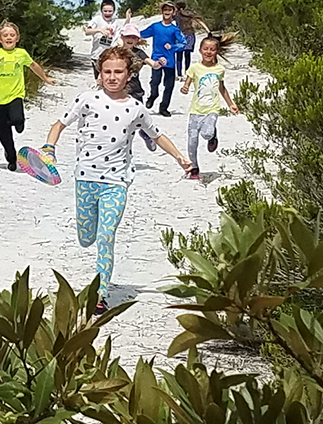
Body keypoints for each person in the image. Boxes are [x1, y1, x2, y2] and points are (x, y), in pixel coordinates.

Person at [39, 46, 191, 314]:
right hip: (85, 179)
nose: (111, 77)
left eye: (118, 72)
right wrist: (49, 149)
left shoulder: (136, 108)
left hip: (116, 182)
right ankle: (97, 267)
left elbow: (157, 135)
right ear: (99, 73)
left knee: (106, 236)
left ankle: (101, 294)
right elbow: (58, 125)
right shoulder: (87, 100)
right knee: (87, 238)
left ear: (129, 74)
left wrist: (179, 157)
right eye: (106, 72)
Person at [0, 20, 56, 172]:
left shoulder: (21, 54)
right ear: (0, 39)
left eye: (12, 35)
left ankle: (16, 121)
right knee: (2, 130)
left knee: (17, 120)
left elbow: (33, 65)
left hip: (16, 95)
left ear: (17, 38)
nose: (9, 37)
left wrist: (45, 78)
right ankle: (11, 156)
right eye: (5, 35)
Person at [180, 33, 240, 180]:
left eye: (212, 49)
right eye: (205, 49)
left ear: (216, 52)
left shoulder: (219, 69)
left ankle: (213, 136)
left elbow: (222, 88)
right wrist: (185, 88)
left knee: (206, 133)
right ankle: (194, 168)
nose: (208, 52)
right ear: (200, 50)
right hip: (195, 110)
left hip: (212, 110)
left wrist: (231, 104)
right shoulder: (194, 68)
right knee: (192, 142)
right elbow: (187, 82)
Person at [118, 21, 165, 152]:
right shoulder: (116, 53)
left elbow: (153, 64)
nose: (130, 39)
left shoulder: (140, 53)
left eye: (133, 37)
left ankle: (145, 133)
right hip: (119, 91)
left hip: (135, 90)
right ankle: (123, 151)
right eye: (128, 36)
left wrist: (159, 63)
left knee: (140, 117)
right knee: (122, 123)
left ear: (137, 40)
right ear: (123, 37)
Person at [140, 1, 187, 116]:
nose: (167, 12)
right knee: (155, 81)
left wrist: (173, 47)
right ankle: (153, 96)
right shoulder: (155, 26)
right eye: (165, 10)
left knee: (169, 85)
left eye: (169, 10)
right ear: (162, 11)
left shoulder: (175, 29)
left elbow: (184, 43)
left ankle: (163, 107)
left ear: (173, 12)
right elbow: (142, 34)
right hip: (156, 59)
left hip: (170, 61)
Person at [85, 0, 124, 79]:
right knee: (99, 79)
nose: (107, 13)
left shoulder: (115, 22)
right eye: (105, 11)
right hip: (97, 55)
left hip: (110, 55)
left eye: (110, 11)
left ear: (114, 11)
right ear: (101, 11)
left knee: (108, 78)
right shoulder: (97, 19)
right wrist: (99, 30)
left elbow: (119, 35)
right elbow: (87, 31)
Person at [174, 0, 212, 74]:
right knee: (187, 55)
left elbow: (167, 21)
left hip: (179, 36)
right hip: (190, 35)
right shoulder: (189, 13)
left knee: (179, 55)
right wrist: (208, 31)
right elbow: (200, 21)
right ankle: (187, 71)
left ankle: (179, 73)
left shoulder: (175, 14)